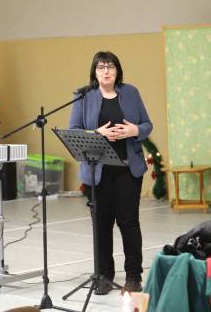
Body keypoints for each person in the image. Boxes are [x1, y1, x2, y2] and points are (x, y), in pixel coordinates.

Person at [69, 51, 153, 295]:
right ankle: (104, 275)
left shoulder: (131, 92)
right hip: (98, 172)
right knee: (101, 225)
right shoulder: (84, 96)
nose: (106, 71)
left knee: (129, 223)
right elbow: (74, 130)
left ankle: (133, 277)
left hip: (128, 169)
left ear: (118, 70)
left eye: (110, 67)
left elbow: (148, 126)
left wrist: (134, 130)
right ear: (94, 72)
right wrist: (98, 134)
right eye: (101, 67)